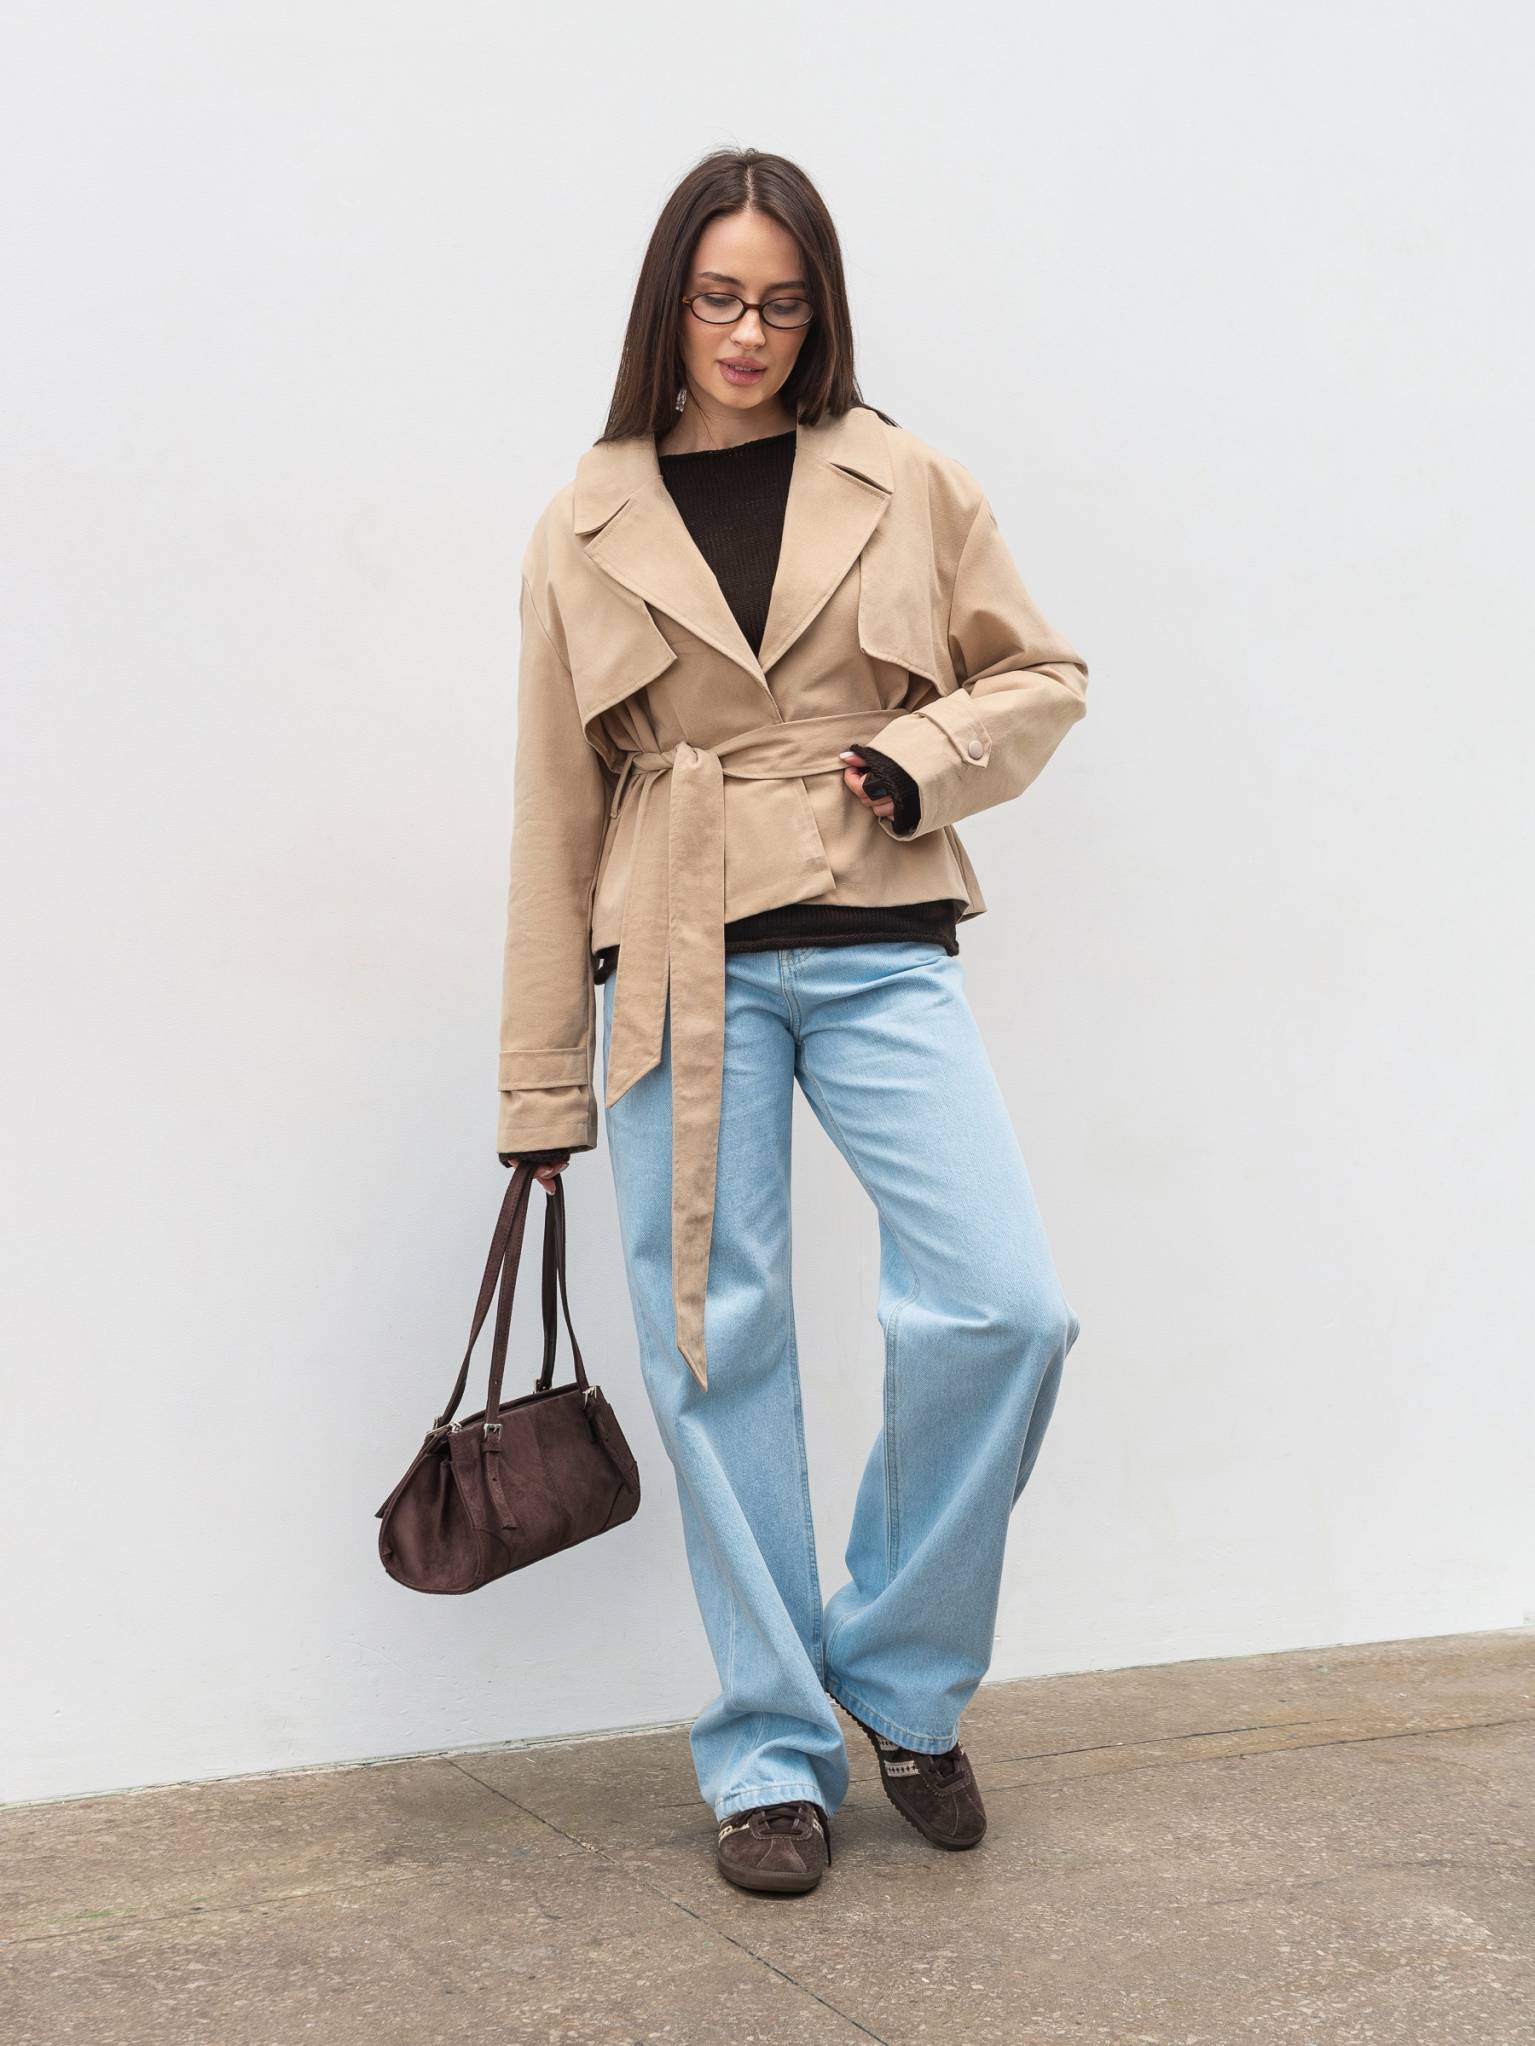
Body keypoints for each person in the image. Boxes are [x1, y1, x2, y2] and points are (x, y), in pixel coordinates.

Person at [496, 147, 1087, 1897]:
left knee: (1007, 1304)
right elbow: (550, 809)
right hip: (676, 955)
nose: (749, 333)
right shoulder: (584, 517)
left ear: (819, 311)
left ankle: (897, 1675)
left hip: (879, 930)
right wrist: (540, 1090)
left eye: (781, 301)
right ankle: (770, 1747)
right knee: (715, 1344)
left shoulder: (904, 476)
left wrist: (917, 754)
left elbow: (1040, 672)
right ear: (668, 306)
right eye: (718, 298)